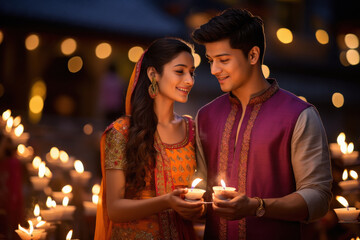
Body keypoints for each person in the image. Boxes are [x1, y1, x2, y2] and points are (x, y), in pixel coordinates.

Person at [191, 8, 333, 240]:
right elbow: (202, 193)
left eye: (224, 60)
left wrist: (257, 206)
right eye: (211, 60)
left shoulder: (299, 115)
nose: (215, 70)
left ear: (253, 55)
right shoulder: (205, 116)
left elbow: (318, 199)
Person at [94, 37, 204, 240]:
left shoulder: (193, 130)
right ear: (153, 74)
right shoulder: (121, 132)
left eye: (192, 72)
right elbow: (115, 209)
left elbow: (201, 193)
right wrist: (167, 202)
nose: (189, 80)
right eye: (180, 71)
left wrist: (198, 208)